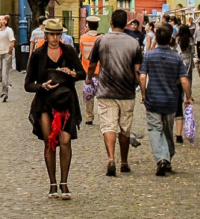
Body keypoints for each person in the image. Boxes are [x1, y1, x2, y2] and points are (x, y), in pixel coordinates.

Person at [25, 18, 85, 198]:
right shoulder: (38, 54)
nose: (55, 38)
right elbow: (28, 84)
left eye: (58, 34)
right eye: (52, 34)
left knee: (65, 141)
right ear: (46, 35)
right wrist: (42, 86)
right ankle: (52, 183)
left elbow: (82, 73)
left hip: (66, 100)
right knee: (49, 141)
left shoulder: (69, 51)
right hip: (45, 101)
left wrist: (71, 73)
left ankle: (64, 183)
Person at [88, 9, 143, 177]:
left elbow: (92, 64)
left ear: (111, 22)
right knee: (124, 129)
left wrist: (89, 79)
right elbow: (138, 70)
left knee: (108, 126)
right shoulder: (134, 43)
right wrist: (143, 91)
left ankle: (111, 158)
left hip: (106, 90)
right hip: (127, 92)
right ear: (126, 24)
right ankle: (124, 162)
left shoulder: (101, 40)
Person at [140, 24, 192, 176]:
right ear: (170, 39)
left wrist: (143, 93)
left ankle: (162, 158)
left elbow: (142, 77)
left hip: (153, 98)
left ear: (156, 39)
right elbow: (184, 80)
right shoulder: (176, 57)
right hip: (171, 100)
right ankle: (168, 157)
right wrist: (188, 97)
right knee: (168, 130)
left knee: (155, 129)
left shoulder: (148, 56)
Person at [173, 23, 195, 142]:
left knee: (180, 79)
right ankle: (188, 94)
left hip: (179, 60)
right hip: (188, 60)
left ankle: (182, 93)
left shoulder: (177, 39)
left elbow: (176, 50)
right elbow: (193, 51)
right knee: (188, 79)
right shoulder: (190, 39)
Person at [79, 15, 101, 125]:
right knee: (101, 94)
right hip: (99, 69)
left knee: (89, 93)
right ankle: (102, 116)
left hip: (87, 69)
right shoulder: (101, 38)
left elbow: (81, 53)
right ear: (98, 25)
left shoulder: (83, 38)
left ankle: (89, 116)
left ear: (88, 25)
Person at [0, 14, 16, 102]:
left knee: (5, 73)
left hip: (6, 54)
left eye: (1, 20)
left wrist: (9, 52)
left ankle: (4, 92)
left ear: (5, 21)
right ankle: (5, 83)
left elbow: (12, 42)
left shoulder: (9, 31)